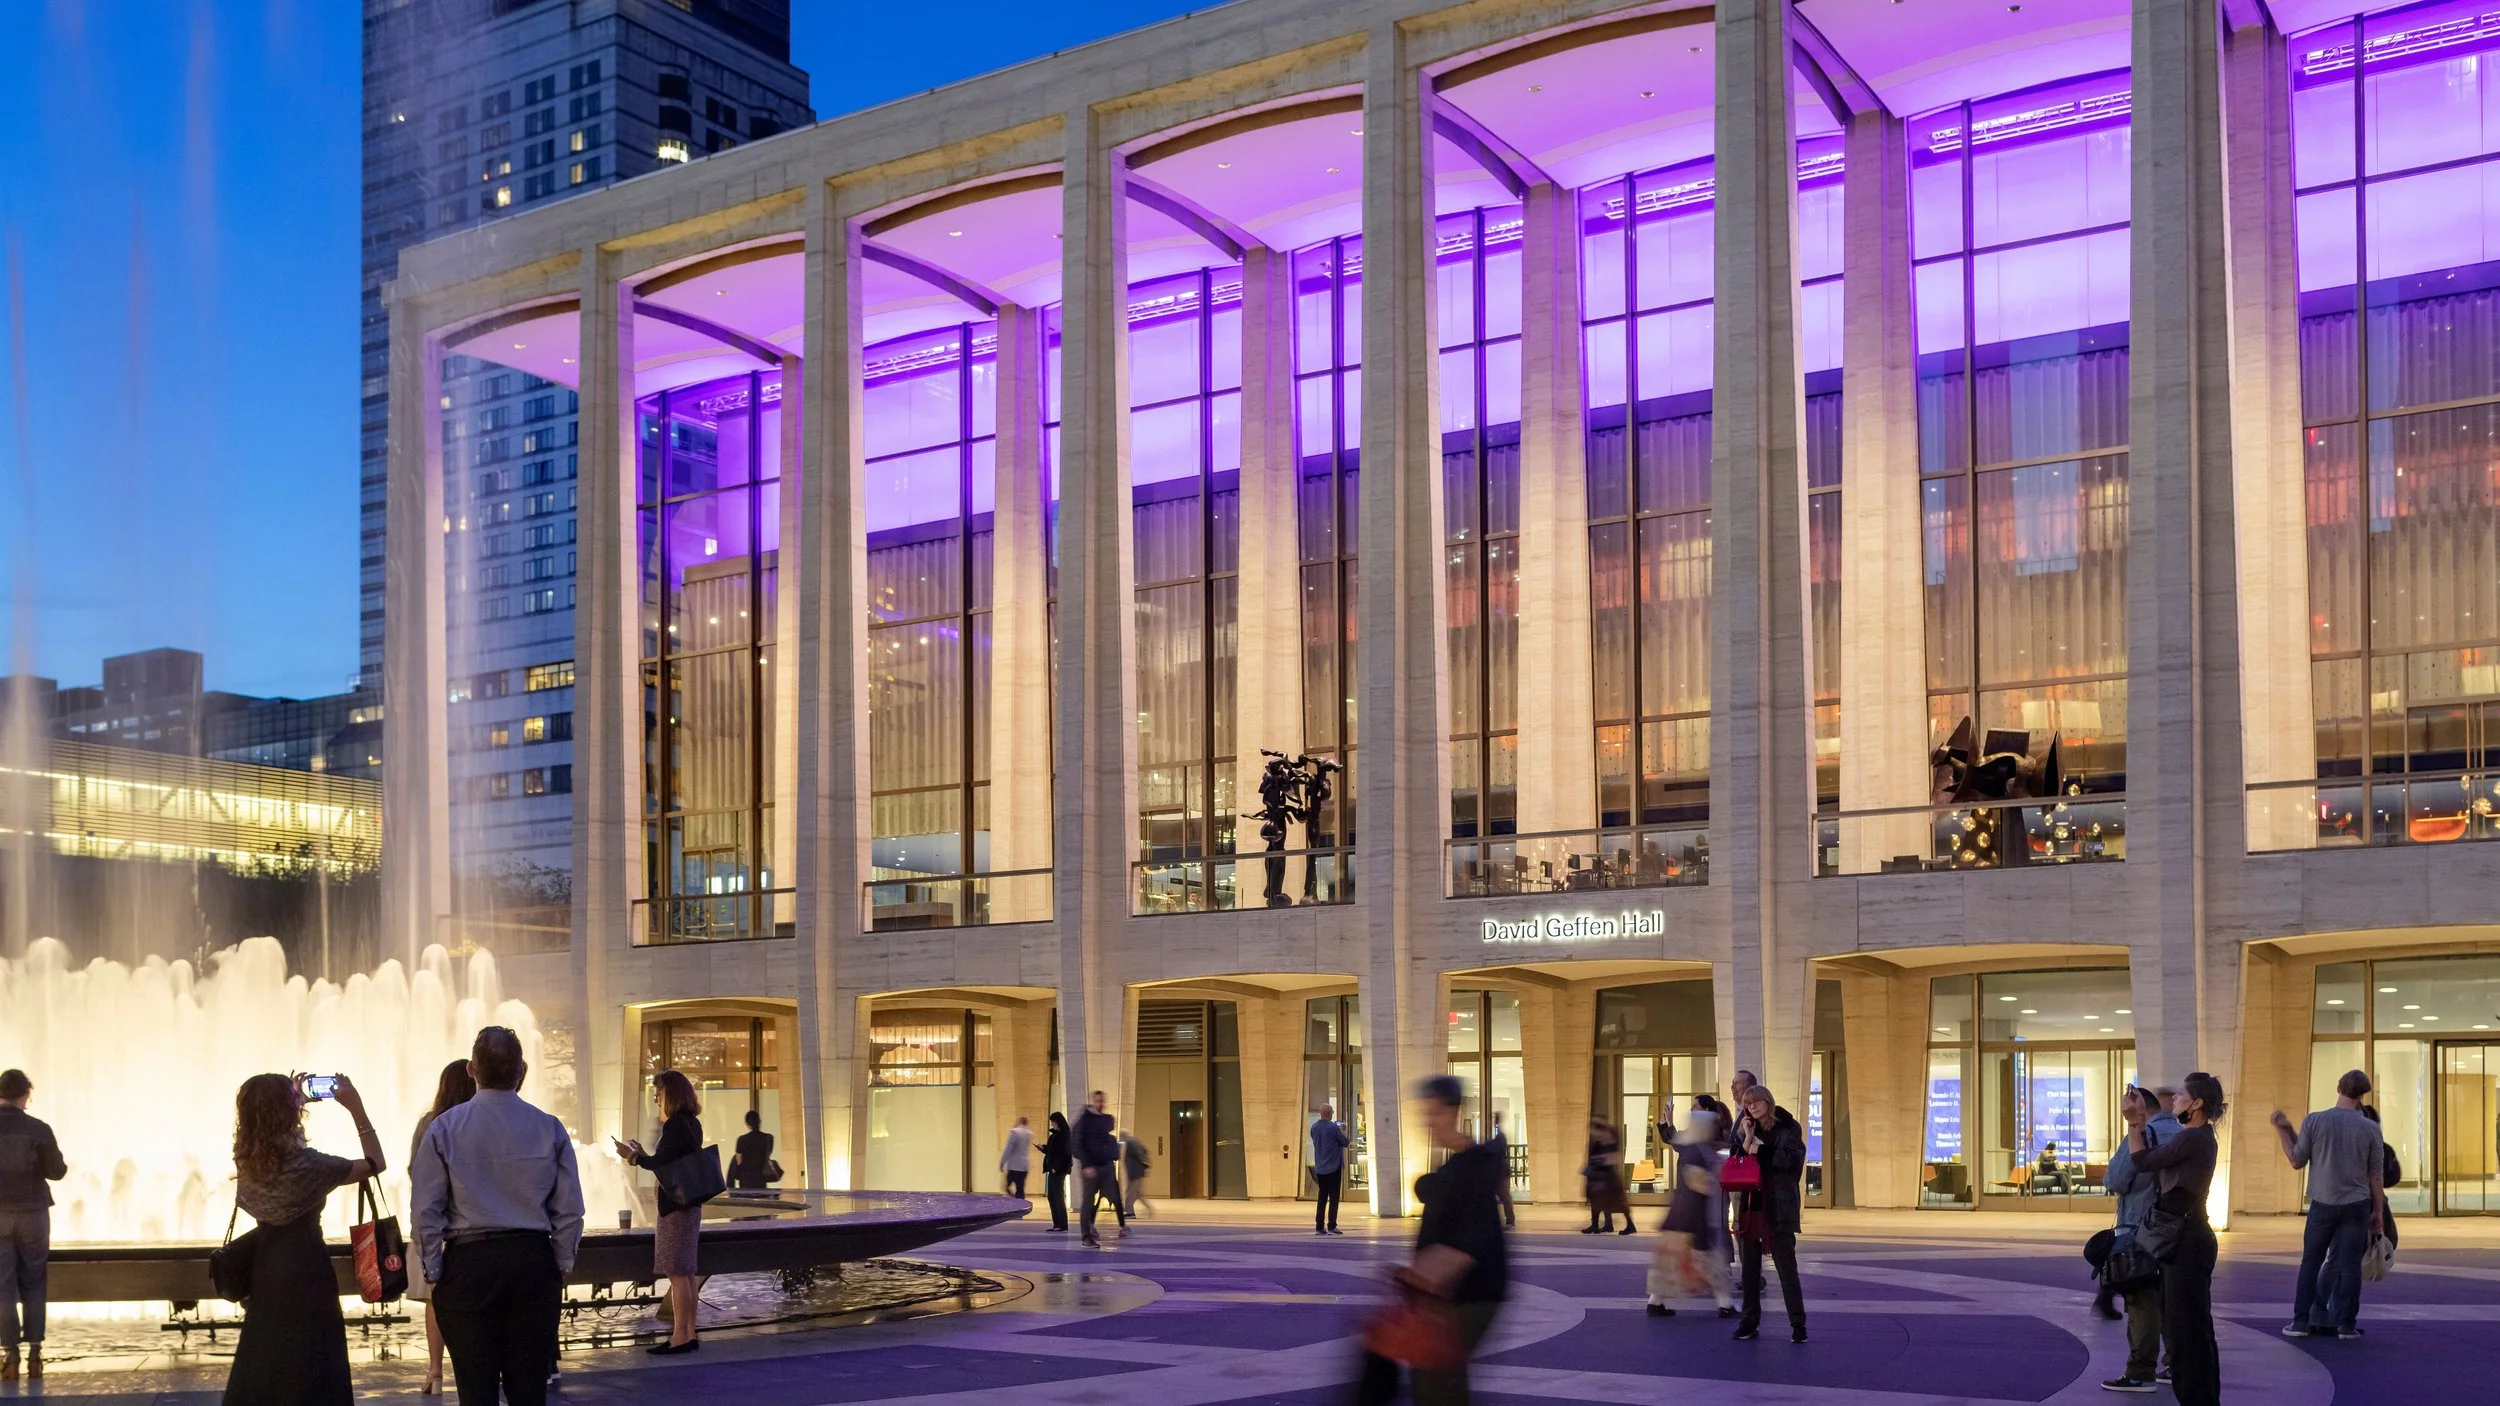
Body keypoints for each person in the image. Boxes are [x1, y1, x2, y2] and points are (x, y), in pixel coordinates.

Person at [412, 1025, 586, 1406]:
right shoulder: (550, 1128)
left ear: (472, 1070)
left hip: (468, 1263)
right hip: (532, 1260)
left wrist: (433, 1270)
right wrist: (560, 1262)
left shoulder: (444, 1129)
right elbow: (570, 1208)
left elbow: (426, 1210)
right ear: (522, 1070)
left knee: (475, 1389)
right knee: (529, 1389)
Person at [222, 1070, 387, 1405]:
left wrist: (292, 1099)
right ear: (289, 1113)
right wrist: (355, 1107)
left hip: (265, 1272)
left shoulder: (247, 1162)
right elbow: (375, 1162)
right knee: (314, 1364)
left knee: (268, 1364)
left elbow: (275, 1143)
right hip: (307, 1271)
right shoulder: (310, 1167)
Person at [1354, 1076, 1508, 1406]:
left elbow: (1470, 1240)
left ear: (1454, 1110)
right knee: (1438, 1374)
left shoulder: (1473, 1167)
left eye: (1435, 1112)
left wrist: (1423, 1278)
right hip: (1452, 1293)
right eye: (1426, 1113)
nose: (1429, 1121)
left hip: (1468, 1295)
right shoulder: (1458, 1165)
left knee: (1435, 1373)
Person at [2130, 1072, 2225, 1406]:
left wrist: (2135, 1121)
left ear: (2196, 1103)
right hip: (2190, 1237)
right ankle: (2201, 1398)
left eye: (2183, 1094)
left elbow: (2142, 1161)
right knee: (2193, 1328)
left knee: (2186, 1332)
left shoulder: (2194, 1138)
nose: (2175, 1099)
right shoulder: (2200, 1137)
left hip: (2186, 1241)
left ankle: (2197, 1399)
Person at [2272, 1069, 2384, 1341]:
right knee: (2348, 1265)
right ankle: (2346, 1325)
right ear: (2362, 1095)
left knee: (2311, 1261)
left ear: (2338, 1088)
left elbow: (2297, 1160)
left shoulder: (2315, 1121)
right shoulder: (2371, 1128)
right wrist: (2378, 1210)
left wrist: (2283, 1131)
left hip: (2323, 1202)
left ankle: (2301, 1322)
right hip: (2357, 1203)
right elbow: (2375, 1174)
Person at [615, 1069, 705, 1354]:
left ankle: (679, 1337)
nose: (657, 1100)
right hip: (689, 1204)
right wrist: (643, 1154)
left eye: (659, 1095)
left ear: (672, 1095)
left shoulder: (675, 1125)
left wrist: (633, 1156)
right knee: (687, 1272)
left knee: (677, 1273)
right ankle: (689, 1333)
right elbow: (667, 1160)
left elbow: (662, 1163)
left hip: (675, 1208)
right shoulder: (692, 1123)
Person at [2099, 1084, 2178, 1393]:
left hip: (2140, 1230)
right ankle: (2174, 1363)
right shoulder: (2186, 1134)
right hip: (2176, 1229)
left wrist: (2133, 1126)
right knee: (2172, 1299)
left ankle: (2140, 1372)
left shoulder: (2141, 1135)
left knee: (2142, 1302)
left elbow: (2115, 1179)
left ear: (2140, 1106)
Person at [408, 1059, 477, 1396]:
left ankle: (435, 1372)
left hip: (434, 1225)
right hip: (471, 1228)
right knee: (474, 1305)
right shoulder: (477, 1122)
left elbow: (414, 1171)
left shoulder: (429, 1123)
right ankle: (475, 1370)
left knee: (435, 1303)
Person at [0, 1069, 66, 1385]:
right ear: (25, 1095)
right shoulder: (38, 1129)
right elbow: (57, 1171)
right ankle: (36, 1353)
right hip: (33, 1213)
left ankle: (9, 1355)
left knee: (2, 1285)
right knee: (35, 1281)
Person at [1730, 1082, 1807, 1343]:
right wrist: (1748, 1137)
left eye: (1756, 1101)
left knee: (1786, 1267)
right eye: (1747, 1103)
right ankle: (1749, 1321)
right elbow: (1737, 1161)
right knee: (1749, 1269)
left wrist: (1760, 1150)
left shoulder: (1789, 1127)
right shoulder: (1744, 1128)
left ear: (1768, 1102)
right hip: (1751, 1205)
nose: (1751, 1106)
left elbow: (1792, 1162)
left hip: (1778, 1205)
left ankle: (1798, 1324)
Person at [1648, 1104, 1733, 1319]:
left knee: (1671, 1262)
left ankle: (1655, 1301)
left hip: (1680, 1215)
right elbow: (1697, 1181)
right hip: (1693, 1217)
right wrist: (1714, 1178)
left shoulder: (1691, 1147)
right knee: (1710, 1261)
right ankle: (1725, 1304)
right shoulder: (1698, 1150)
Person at [1075, 1090, 1124, 1247]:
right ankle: (1086, 1235)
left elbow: (1107, 1140)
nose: (1100, 1104)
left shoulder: (1105, 1120)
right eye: (1097, 1101)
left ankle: (1117, 1225)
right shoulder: (1084, 1120)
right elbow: (1076, 1144)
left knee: (1115, 1197)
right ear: (1092, 1101)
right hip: (1091, 1166)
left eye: (1102, 1101)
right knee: (1088, 1200)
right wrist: (1086, 1164)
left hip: (1106, 1166)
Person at [1582, 1115, 1632, 1235]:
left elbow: (1612, 1158)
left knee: (1610, 1201)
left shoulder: (1608, 1139)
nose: (1590, 1130)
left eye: (1593, 1127)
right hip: (1600, 1176)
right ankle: (1603, 1225)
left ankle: (1628, 1225)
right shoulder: (1600, 1140)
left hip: (1605, 1176)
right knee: (1601, 1201)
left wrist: (1597, 1161)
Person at [1311, 1103, 1351, 1236]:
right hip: (1333, 1167)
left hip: (1320, 1167)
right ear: (1329, 1113)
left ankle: (1319, 1226)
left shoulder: (1314, 1127)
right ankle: (1332, 1226)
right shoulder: (1334, 1128)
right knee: (1333, 1197)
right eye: (1332, 1112)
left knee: (1322, 1197)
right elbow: (1345, 1142)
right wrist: (1344, 1130)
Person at [728, 1110, 777, 1194]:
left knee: (746, 1203)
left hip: (745, 1178)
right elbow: (767, 1155)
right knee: (761, 1201)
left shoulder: (741, 1140)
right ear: (759, 1121)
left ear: (747, 1123)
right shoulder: (768, 1138)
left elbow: (739, 1161)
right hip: (760, 1177)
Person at [1039, 1112, 1073, 1232]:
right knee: (1052, 1197)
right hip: (1052, 1169)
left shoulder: (1064, 1135)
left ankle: (1062, 1224)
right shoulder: (1054, 1135)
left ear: (1058, 1122)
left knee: (1058, 1196)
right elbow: (1052, 1151)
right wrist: (1044, 1148)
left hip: (1058, 1170)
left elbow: (1065, 1153)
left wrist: (1056, 1167)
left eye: (1053, 1122)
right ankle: (1056, 1223)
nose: (1052, 1124)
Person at [1487, 1111, 1515, 1229]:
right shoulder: (1499, 1136)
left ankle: (1510, 1221)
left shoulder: (1500, 1137)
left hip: (1500, 1171)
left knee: (1504, 1196)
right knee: (1503, 1196)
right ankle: (1508, 1220)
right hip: (1499, 1171)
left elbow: (1496, 1150)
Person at [1121, 1129, 1154, 1219]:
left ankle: (1130, 1212)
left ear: (1123, 1135)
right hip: (1138, 1171)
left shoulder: (1130, 1142)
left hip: (1133, 1172)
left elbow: (1138, 1154)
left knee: (1129, 1193)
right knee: (1138, 1193)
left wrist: (1143, 1163)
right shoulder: (1135, 1141)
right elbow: (1144, 1151)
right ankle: (1149, 1208)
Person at [1000, 1116, 1034, 1198]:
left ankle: (1014, 1200)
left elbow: (1008, 1148)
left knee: (1007, 1186)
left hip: (1014, 1165)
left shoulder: (1015, 1132)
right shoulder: (1029, 1133)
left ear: (1019, 1122)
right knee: (1020, 1188)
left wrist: (1002, 1162)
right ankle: (1021, 1204)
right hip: (1024, 1165)